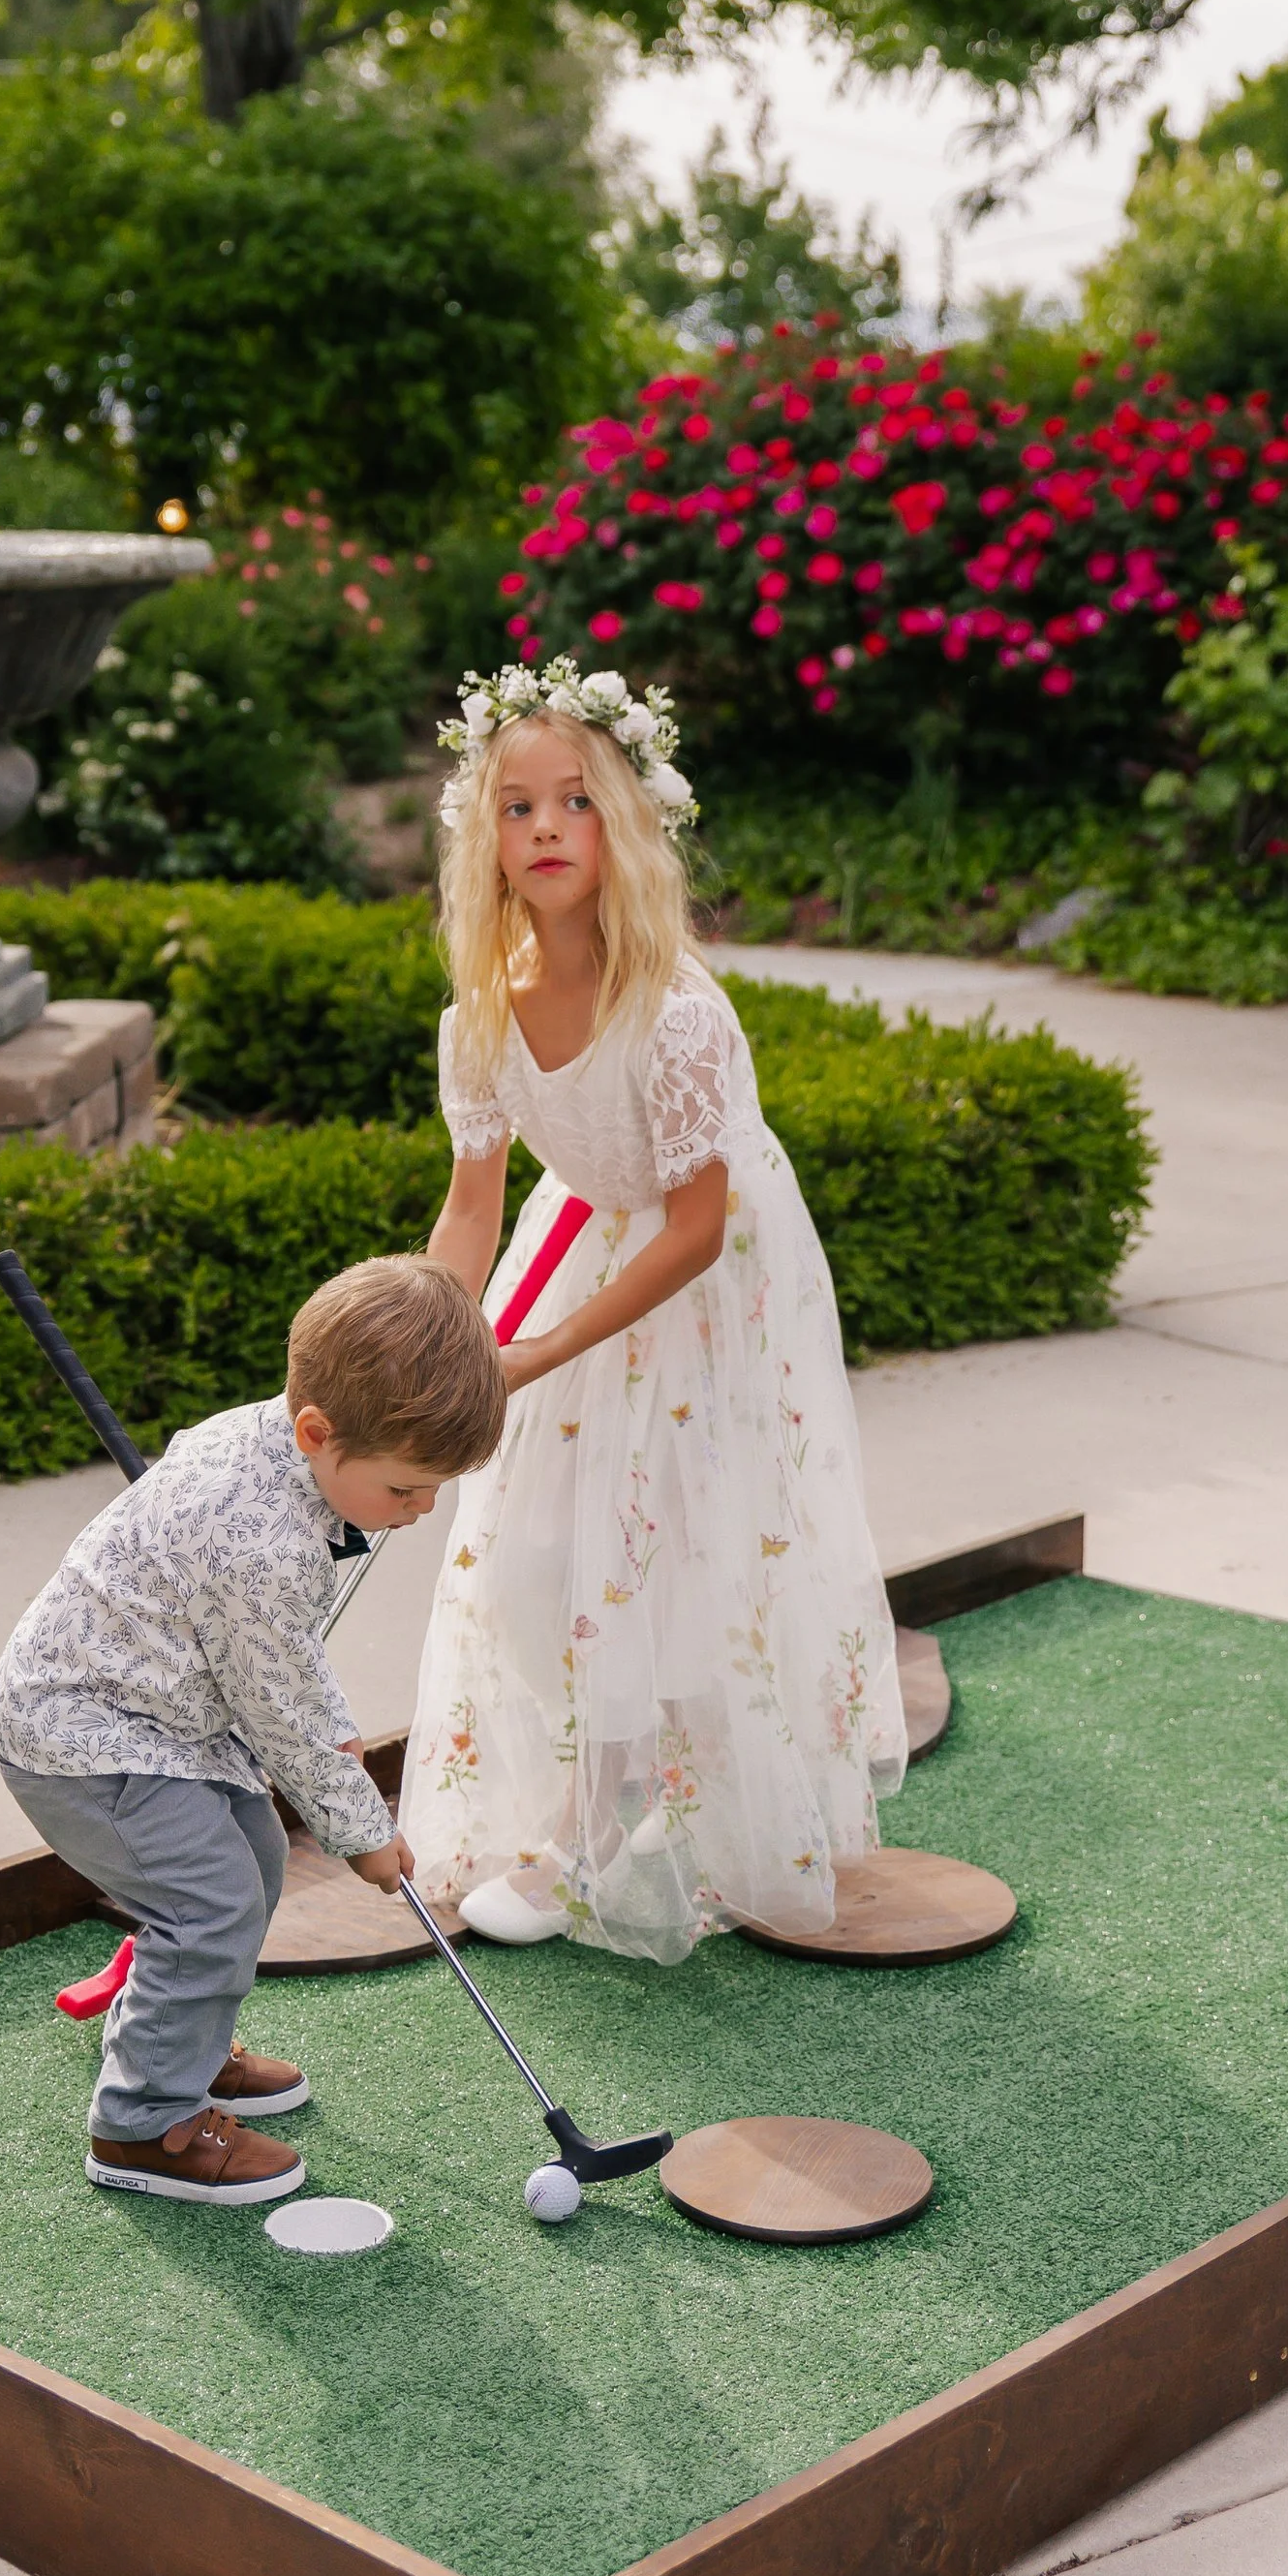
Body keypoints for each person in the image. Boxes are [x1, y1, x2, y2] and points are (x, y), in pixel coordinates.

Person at [401, 655, 906, 1964]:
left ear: (622, 817)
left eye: (575, 799)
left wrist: (545, 1346)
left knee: (673, 1547)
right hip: (573, 1247)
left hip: (705, 1281)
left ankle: (591, 1826)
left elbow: (696, 1225)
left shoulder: (675, 1015)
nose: (547, 828)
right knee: (531, 1550)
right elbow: (472, 1202)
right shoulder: (484, 1008)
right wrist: (438, 1333)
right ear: (487, 837)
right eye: (517, 807)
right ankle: (596, 1791)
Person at [0, 1254, 506, 2203]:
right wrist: (363, 1831)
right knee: (212, 1901)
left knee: (254, 1859)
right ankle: (142, 2127)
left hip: (168, 1715)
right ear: (317, 1432)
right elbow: (281, 1708)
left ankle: (174, 2041)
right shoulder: (260, 1544)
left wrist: (333, 1743)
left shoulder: (273, 1443)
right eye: (405, 1490)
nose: (421, 1511)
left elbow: (284, 1669)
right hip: (88, 1740)